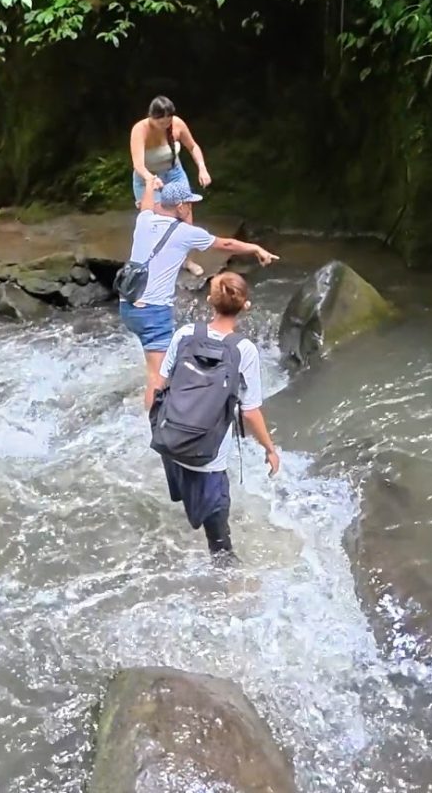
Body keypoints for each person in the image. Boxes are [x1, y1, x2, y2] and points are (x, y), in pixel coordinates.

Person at [119, 175, 278, 409]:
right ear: (181, 206)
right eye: (190, 204)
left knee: (159, 368)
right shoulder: (185, 233)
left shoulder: (144, 220)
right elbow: (226, 245)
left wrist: (151, 188)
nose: (191, 208)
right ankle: (155, 430)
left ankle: (162, 409)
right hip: (153, 312)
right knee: (158, 376)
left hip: (128, 306)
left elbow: (145, 205)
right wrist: (255, 248)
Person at [155, 272, 281, 560]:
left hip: (171, 443)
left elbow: (160, 386)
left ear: (210, 300)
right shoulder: (244, 350)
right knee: (221, 550)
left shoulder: (185, 334)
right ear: (245, 305)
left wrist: (160, 429)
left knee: (188, 503)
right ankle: (229, 597)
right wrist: (270, 450)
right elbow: (250, 411)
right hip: (208, 458)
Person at [130, 95, 210, 278]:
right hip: (147, 178)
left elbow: (193, 147)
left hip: (174, 172)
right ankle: (157, 263)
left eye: (168, 121)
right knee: (157, 220)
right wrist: (151, 179)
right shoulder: (140, 130)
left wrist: (202, 168)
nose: (165, 125)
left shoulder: (177, 124)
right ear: (151, 117)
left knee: (186, 216)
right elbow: (138, 165)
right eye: (161, 122)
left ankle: (187, 260)